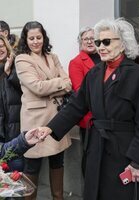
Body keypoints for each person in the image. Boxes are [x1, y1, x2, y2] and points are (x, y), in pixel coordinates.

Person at [37, 18, 139, 200]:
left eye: (107, 42)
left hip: (125, 153)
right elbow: (77, 105)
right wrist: (50, 127)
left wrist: (138, 162)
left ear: (123, 44)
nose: (101, 46)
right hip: (96, 148)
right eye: (98, 42)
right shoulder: (94, 73)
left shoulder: (138, 76)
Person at [15, 21, 72, 200]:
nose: (35, 41)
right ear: (26, 39)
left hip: (56, 117)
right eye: (31, 38)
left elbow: (69, 83)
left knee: (58, 161)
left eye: (38, 37)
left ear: (43, 37)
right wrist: (59, 83)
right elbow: (38, 87)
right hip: (35, 119)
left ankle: (58, 197)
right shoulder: (22, 58)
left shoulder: (52, 56)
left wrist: (55, 84)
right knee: (32, 165)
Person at [68, 26, 100, 142]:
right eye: (86, 39)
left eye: (92, 38)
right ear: (81, 42)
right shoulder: (76, 62)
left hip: (107, 116)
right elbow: (80, 91)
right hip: (89, 117)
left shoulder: (104, 58)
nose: (90, 41)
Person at [0, 35, 23, 173]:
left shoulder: (16, 64)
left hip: (14, 129)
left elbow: (24, 89)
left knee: (16, 171)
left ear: (6, 47)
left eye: (1, 46)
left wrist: (9, 72)